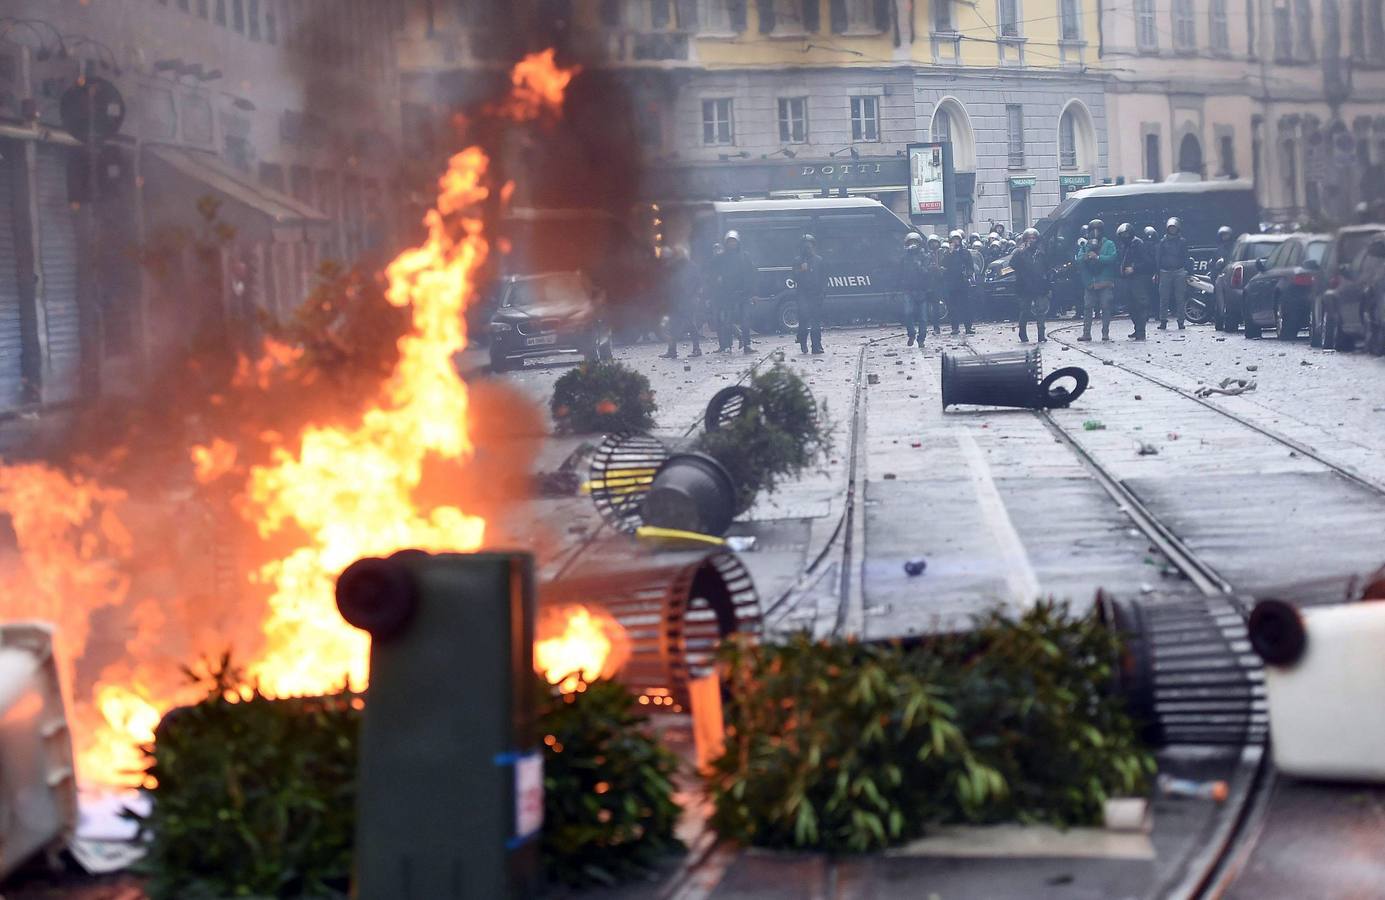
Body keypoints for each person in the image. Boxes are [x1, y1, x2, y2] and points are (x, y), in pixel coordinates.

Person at [712, 229, 756, 353]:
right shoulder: (722, 258)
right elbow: (711, 270)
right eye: (729, 242)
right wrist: (717, 278)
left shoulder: (745, 256)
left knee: (745, 321)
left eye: (734, 242)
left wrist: (752, 293)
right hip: (728, 295)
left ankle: (747, 345)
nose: (732, 244)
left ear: (738, 242)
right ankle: (727, 346)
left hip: (744, 293)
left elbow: (752, 274)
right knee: (727, 322)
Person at [1075, 218, 1118, 341]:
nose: (1095, 233)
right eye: (1093, 230)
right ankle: (1086, 333)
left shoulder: (1109, 244)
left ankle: (1105, 333)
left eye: (1097, 230)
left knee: (1106, 306)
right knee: (1088, 307)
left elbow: (1112, 258)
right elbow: (1078, 259)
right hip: (1090, 282)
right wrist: (1086, 256)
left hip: (1105, 281)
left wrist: (1098, 257)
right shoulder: (1085, 245)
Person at [659, 247, 703, 359]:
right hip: (675, 300)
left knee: (690, 324)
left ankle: (697, 349)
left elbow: (698, 283)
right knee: (673, 325)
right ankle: (672, 351)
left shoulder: (691, 266)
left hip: (688, 301)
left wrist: (692, 296)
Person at [1116, 223, 1154, 341]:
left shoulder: (1139, 244)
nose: (1125, 236)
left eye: (1126, 234)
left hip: (1139, 278)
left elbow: (1148, 262)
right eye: (1122, 235)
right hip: (1127, 278)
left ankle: (1141, 331)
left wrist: (1134, 268)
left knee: (1140, 304)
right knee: (1130, 305)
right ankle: (1137, 328)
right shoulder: (1124, 246)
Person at [896, 232, 934, 347]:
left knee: (923, 318)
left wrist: (919, 265)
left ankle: (921, 338)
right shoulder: (904, 258)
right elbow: (899, 273)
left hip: (922, 290)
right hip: (908, 289)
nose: (913, 245)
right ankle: (911, 334)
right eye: (910, 242)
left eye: (915, 242)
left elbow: (927, 272)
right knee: (908, 313)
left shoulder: (925, 256)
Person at [1012, 227, 1049, 343]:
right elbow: (1013, 264)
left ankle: (1041, 335)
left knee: (1041, 311)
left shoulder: (1041, 253)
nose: (1031, 240)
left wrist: (1047, 284)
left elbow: (1047, 267)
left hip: (1038, 285)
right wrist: (1021, 252)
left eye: (1033, 238)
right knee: (1025, 310)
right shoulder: (1019, 252)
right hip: (1024, 285)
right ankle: (1022, 333)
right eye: (1029, 238)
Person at [1156, 217, 1192, 330]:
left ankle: (1181, 321)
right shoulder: (1162, 242)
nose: (1172, 230)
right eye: (1170, 228)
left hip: (1179, 271)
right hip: (1165, 272)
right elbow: (1158, 257)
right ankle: (1163, 321)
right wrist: (1157, 271)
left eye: (1174, 228)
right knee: (1163, 298)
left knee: (1180, 298)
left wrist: (1187, 270)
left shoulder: (1182, 242)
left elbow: (1186, 257)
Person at [793, 233, 826, 354]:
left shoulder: (819, 260)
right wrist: (801, 270)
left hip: (816, 294)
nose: (807, 249)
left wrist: (823, 292)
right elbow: (794, 277)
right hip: (803, 295)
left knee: (816, 322)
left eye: (810, 246)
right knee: (803, 320)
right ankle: (802, 342)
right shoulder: (798, 261)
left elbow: (823, 278)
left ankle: (816, 345)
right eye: (805, 247)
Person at [942, 231, 976, 336]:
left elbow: (970, 266)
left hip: (963, 282)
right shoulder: (948, 253)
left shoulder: (965, 252)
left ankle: (968, 327)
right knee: (953, 307)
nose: (955, 241)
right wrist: (950, 253)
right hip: (952, 283)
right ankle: (955, 328)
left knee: (966, 306)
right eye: (953, 240)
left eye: (957, 239)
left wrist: (969, 274)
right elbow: (944, 265)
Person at [926, 234, 945, 334]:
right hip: (932, 283)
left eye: (935, 242)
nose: (934, 244)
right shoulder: (927, 255)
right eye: (932, 243)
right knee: (934, 307)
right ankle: (936, 327)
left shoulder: (943, 253)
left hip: (943, 282)